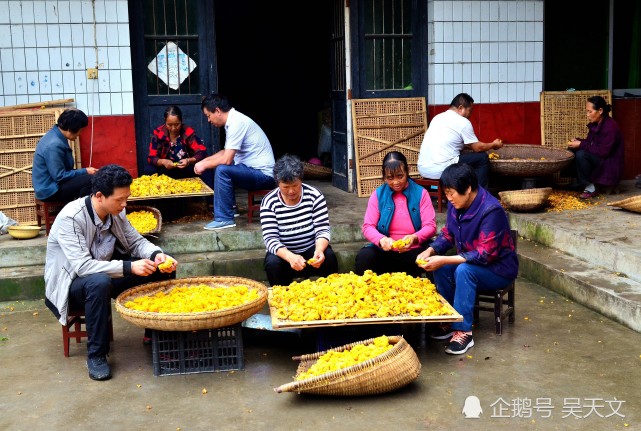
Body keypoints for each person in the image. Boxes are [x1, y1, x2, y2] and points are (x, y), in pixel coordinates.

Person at [44, 164, 178, 381]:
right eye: (119, 200)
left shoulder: (116, 211)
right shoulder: (71, 217)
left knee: (159, 270)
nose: (124, 204)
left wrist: (156, 255)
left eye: (126, 198)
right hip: (71, 285)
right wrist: (129, 267)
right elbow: (83, 267)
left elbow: (135, 241)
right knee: (98, 282)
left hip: (106, 274)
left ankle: (155, 332)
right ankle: (96, 355)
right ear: (99, 196)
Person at [416, 163, 518, 355]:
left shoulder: (491, 210)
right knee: (440, 268)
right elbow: (448, 235)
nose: (448, 198)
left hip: (499, 270)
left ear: (468, 189)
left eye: (451, 193)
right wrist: (430, 250)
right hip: (473, 265)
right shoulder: (456, 206)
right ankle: (449, 320)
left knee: (463, 270)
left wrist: (445, 259)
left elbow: (484, 255)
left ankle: (463, 331)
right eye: (446, 193)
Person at [195, 93, 276, 230]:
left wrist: (204, 164)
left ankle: (224, 218)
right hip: (253, 170)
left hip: (264, 175)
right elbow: (225, 152)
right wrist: (204, 161)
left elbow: (226, 159)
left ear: (218, 111)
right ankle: (231, 208)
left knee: (222, 169)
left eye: (208, 115)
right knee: (221, 165)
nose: (209, 120)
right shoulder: (233, 121)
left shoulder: (236, 123)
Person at [355, 151, 437, 278]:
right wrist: (382, 240)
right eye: (390, 178)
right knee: (364, 257)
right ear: (384, 177)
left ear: (407, 171)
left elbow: (430, 226)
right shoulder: (378, 195)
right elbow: (367, 227)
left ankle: (436, 295)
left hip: (414, 252)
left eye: (400, 176)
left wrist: (414, 237)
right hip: (386, 252)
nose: (396, 182)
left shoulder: (421, 193)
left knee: (432, 257)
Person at [260, 154, 338, 286]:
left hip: (310, 250)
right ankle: (281, 300)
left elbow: (322, 230)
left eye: (295, 185)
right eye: (285, 187)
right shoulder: (269, 202)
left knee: (329, 257)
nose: (291, 191)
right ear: (278, 183)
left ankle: (334, 296)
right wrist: (290, 257)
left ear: (301, 180)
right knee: (272, 263)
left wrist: (319, 250)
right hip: (284, 254)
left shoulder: (315, 195)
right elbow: (270, 239)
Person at [417, 93, 503, 188]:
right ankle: (480, 194)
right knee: (482, 158)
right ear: (461, 108)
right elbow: (477, 148)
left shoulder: (437, 118)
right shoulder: (463, 122)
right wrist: (493, 144)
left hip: (423, 169)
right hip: (440, 170)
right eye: (470, 111)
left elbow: (450, 141)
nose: (470, 115)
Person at [32, 108, 98, 202]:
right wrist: (85, 171)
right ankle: (83, 212)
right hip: (50, 190)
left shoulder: (55, 135)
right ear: (72, 128)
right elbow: (59, 176)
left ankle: (81, 208)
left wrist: (85, 171)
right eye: (80, 130)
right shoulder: (54, 144)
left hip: (52, 185)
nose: (80, 134)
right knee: (90, 179)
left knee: (88, 179)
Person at [567, 96, 624, 199]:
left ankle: (591, 187)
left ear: (600, 110)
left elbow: (603, 152)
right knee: (572, 150)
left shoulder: (611, 127)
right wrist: (578, 141)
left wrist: (581, 144)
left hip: (608, 164)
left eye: (590, 111)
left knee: (581, 154)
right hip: (600, 159)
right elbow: (590, 143)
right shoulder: (597, 124)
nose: (587, 115)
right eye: (587, 111)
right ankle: (581, 182)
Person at [147, 105, 208, 179]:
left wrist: (188, 161)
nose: (173, 128)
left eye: (176, 124)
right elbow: (151, 157)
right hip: (165, 169)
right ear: (165, 121)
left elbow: (202, 152)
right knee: (149, 170)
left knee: (204, 169)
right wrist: (163, 162)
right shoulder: (158, 133)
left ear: (181, 121)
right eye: (169, 125)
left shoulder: (188, 132)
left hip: (185, 168)